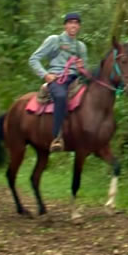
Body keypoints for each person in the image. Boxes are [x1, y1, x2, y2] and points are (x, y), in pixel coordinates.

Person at [29, 12, 88, 152]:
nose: (73, 25)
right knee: (61, 96)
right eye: (70, 22)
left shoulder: (81, 47)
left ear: (79, 26)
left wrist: (81, 69)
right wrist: (45, 75)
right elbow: (33, 59)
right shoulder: (54, 40)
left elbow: (84, 70)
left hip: (75, 80)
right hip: (57, 78)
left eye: (76, 23)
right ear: (65, 25)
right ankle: (57, 137)